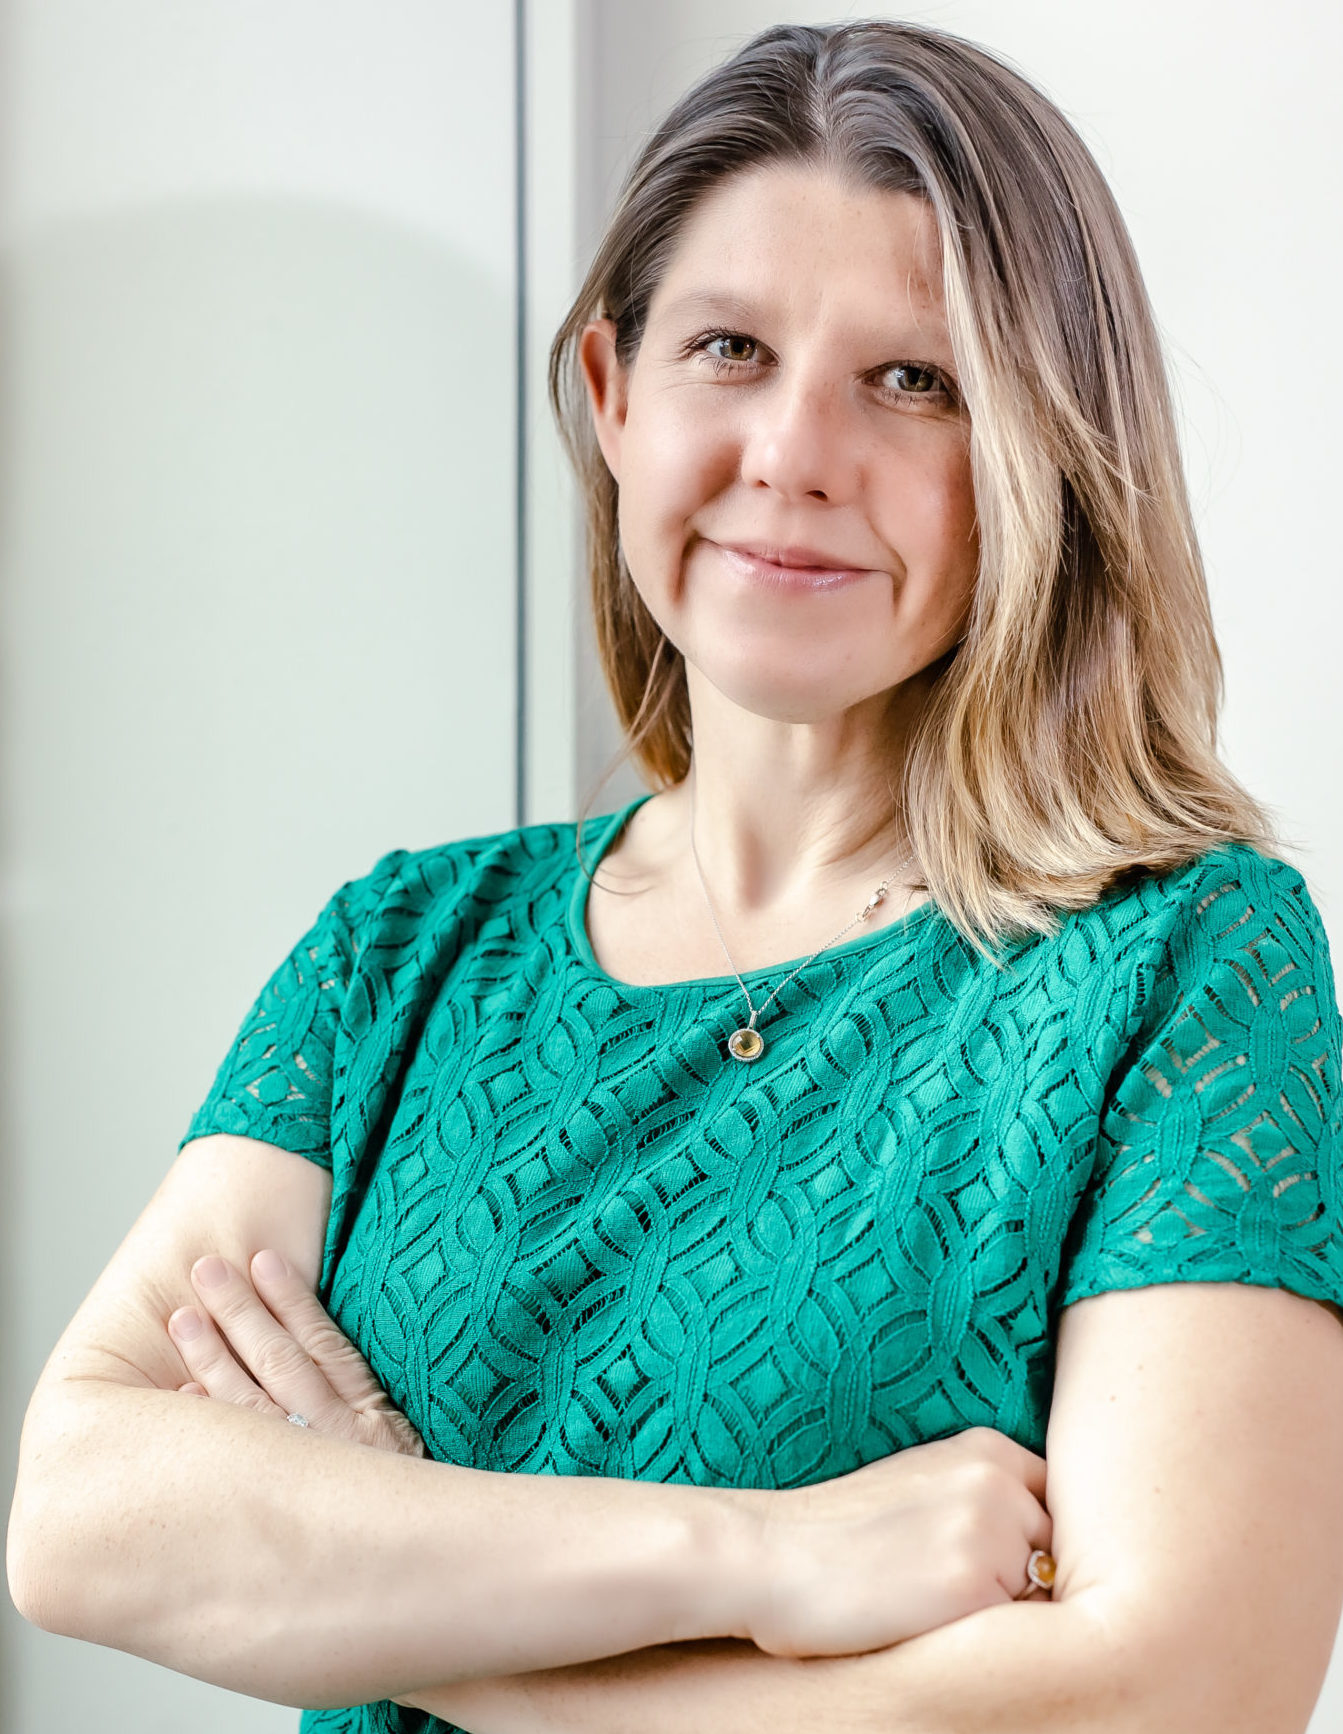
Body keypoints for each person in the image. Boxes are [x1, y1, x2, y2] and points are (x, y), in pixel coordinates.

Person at [9, 17, 1343, 1734]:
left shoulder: (1185, 961)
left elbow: (1169, 1693)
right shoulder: (403, 952)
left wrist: (410, 1615)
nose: (792, 452)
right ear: (611, 395)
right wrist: (765, 1559)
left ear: (1046, 462)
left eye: (914, 379)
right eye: (730, 348)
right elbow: (82, 1511)